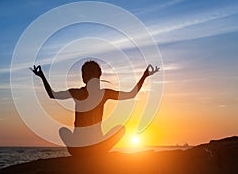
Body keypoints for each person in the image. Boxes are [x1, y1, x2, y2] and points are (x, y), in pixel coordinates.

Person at [31, 61, 159, 155]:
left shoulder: (81, 93)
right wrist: (145, 75)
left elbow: (52, 95)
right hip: (93, 147)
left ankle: (88, 151)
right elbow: (132, 94)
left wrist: (145, 76)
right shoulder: (98, 93)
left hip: (80, 148)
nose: (85, 76)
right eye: (86, 74)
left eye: (87, 74)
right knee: (63, 131)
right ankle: (95, 151)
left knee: (63, 131)